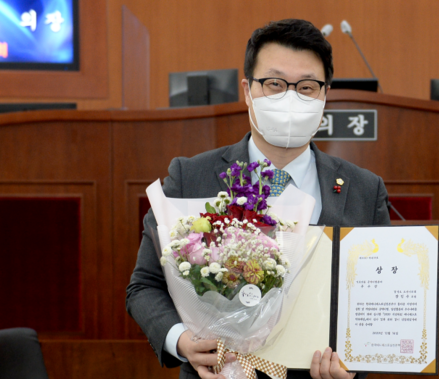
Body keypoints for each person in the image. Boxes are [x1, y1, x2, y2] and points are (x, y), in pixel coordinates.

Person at [126, 18, 390, 379]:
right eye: (275, 84)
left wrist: (355, 366)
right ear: (248, 91)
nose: (291, 97)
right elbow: (144, 286)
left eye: (308, 87)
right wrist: (183, 342)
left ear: (325, 94)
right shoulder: (191, 177)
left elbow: (378, 302)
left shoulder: (365, 188)